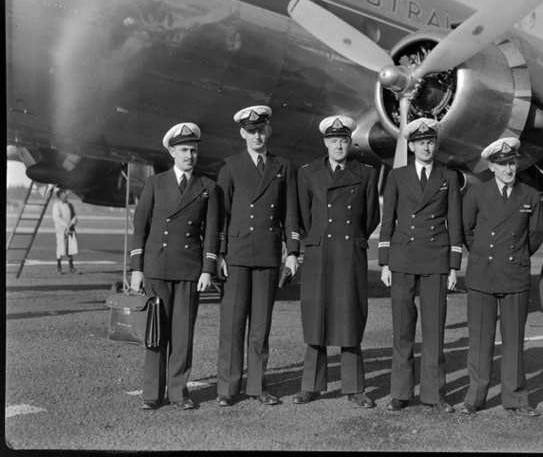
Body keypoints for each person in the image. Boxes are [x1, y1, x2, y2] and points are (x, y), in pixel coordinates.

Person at [130, 122, 220, 411]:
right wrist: (136, 268)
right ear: (171, 151)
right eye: (184, 150)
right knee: (156, 334)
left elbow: (212, 231)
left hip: (189, 270)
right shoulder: (155, 184)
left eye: (193, 150)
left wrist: (208, 269)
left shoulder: (207, 187)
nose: (189, 155)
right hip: (157, 268)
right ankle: (151, 394)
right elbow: (140, 227)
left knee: (182, 336)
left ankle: (179, 393)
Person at [293, 115, 380, 408]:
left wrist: (350, 235)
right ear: (325, 143)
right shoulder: (307, 173)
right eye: (333, 140)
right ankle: (311, 386)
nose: (338, 145)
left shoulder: (366, 173)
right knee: (316, 317)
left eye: (343, 140)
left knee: (350, 317)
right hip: (320, 252)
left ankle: (355, 388)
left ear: (349, 142)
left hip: (349, 252)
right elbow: (303, 216)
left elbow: (370, 217)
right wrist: (319, 237)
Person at [216, 105, 300, 407]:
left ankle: (257, 386)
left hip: (267, 254)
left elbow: (291, 213)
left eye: (261, 130)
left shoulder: (282, 166)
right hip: (236, 255)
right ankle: (227, 388)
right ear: (243, 133)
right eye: (251, 131)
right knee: (233, 325)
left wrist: (292, 253)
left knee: (261, 327)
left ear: (269, 131)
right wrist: (220, 254)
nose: (257, 136)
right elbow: (220, 215)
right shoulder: (230, 167)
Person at [378, 118, 463, 412]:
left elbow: (455, 221)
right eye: (420, 143)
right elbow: (388, 220)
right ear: (411, 146)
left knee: (434, 331)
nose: (426, 147)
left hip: (436, 259)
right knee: (402, 329)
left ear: (435, 145)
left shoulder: (448, 177)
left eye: (430, 142)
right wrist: (385, 262)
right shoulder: (397, 176)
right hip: (402, 259)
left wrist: (453, 266)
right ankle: (400, 393)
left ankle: (434, 395)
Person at [460, 137, 543, 417]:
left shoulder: (530, 195)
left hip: (515, 274)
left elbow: (535, 235)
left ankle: (516, 399)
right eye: (502, 164)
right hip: (483, 273)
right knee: (480, 341)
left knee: (513, 341)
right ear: (491, 167)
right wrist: (483, 254)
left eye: (512, 163)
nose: (509, 169)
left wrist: (518, 255)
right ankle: (474, 398)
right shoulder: (476, 194)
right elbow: (466, 230)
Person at [52, 189, 82, 275]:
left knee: (70, 247)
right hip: (61, 229)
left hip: (70, 228)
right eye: (63, 194)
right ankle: (59, 267)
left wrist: (72, 224)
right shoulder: (56, 205)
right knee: (61, 246)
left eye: (65, 194)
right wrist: (66, 225)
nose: (65, 195)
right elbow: (57, 218)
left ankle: (71, 267)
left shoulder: (70, 205)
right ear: (60, 196)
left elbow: (74, 216)